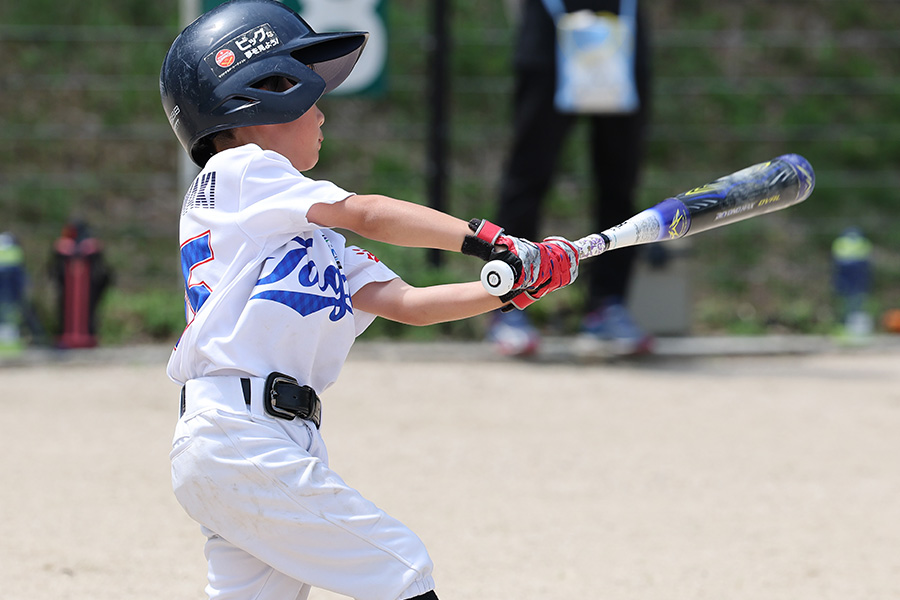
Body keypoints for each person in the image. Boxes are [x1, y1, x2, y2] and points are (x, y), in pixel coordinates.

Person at [159, 2, 578, 599]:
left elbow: (407, 302)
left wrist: (508, 287)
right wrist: (489, 239)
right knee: (400, 569)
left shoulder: (310, 240)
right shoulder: (242, 170)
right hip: (237, 431)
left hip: (260, 439)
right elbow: (368, 213)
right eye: (309, 98)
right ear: (260, 96)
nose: (323, 116)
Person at [487, 0, 653, 357]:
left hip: (621, 26)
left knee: (620, 179)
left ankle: (608, 305)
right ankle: (506, 304)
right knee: (529, 174)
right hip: (549, 27)